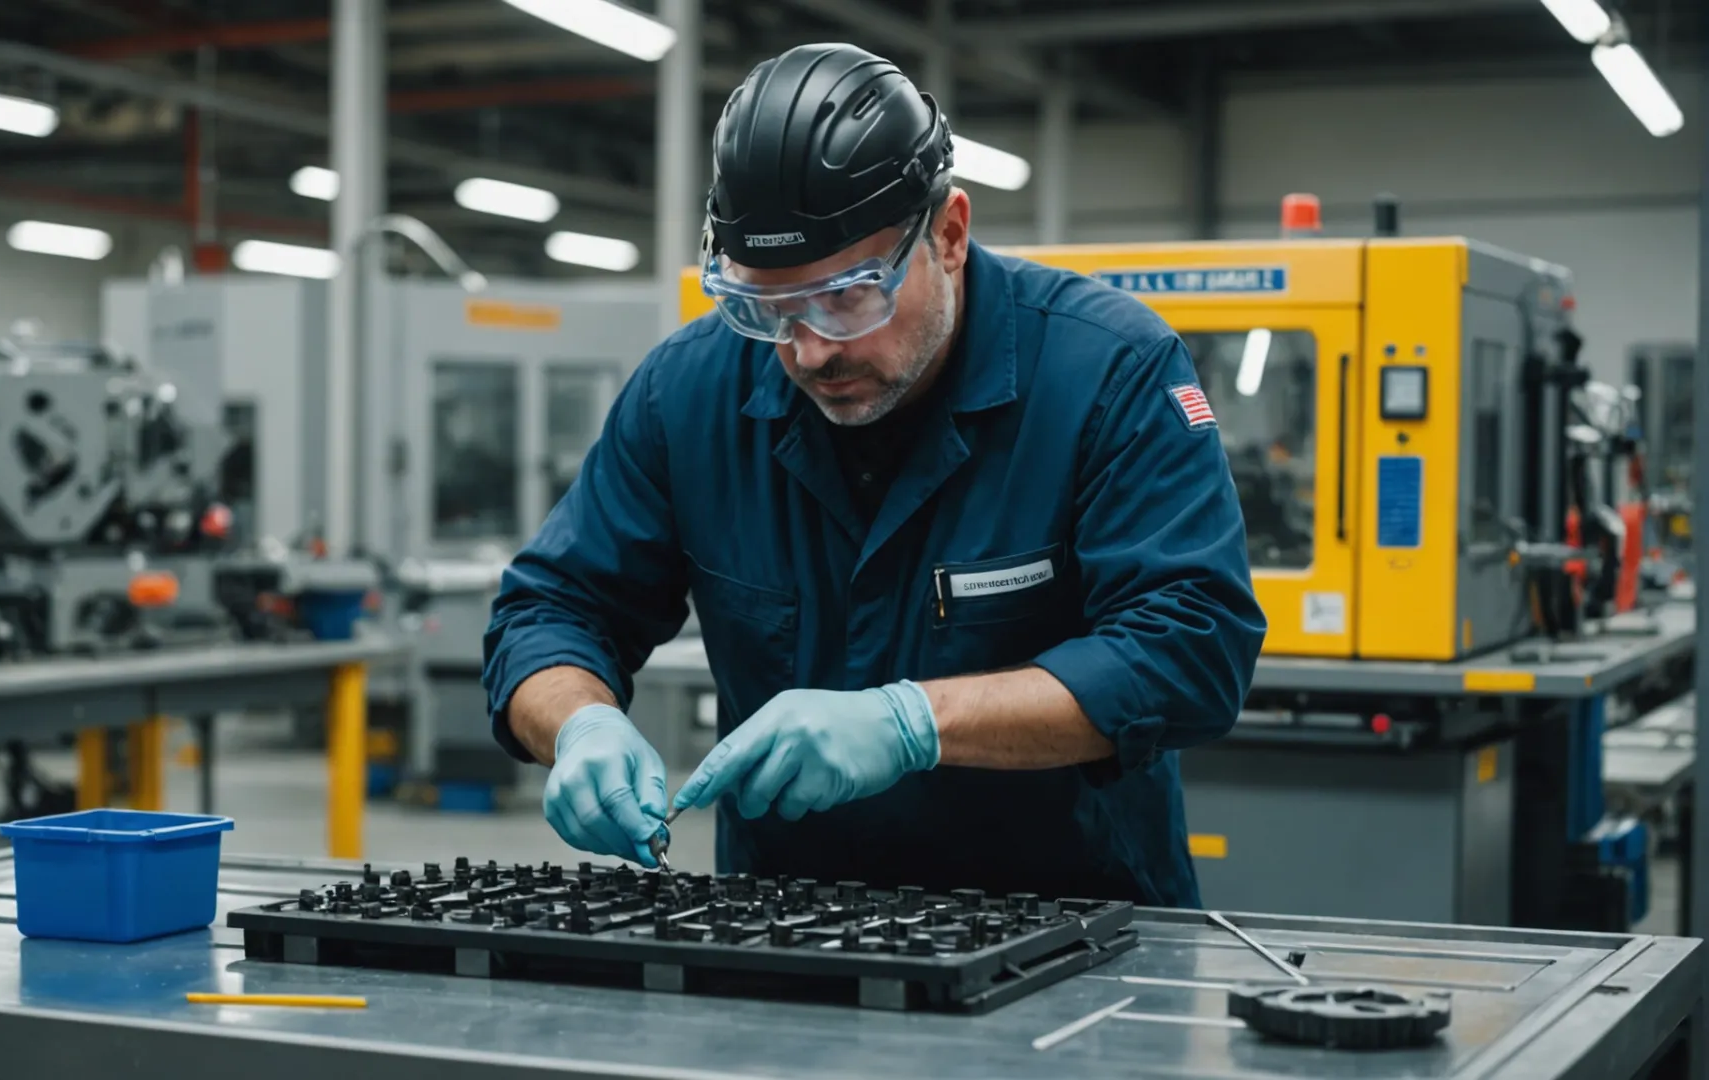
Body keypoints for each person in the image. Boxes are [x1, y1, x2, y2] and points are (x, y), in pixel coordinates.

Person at [482, 42, 1266, 906]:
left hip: (1078, 927)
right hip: (786, 931)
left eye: (848, 295)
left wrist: (914, 724)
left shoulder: (1107, 371)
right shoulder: (689, 391)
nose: (810, 349)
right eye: (767, 306)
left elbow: (1191, 649)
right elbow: (553, 608)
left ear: (951, 235)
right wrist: (580, 723)